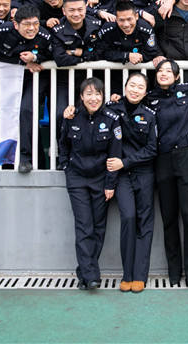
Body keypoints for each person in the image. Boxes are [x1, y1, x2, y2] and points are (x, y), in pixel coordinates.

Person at [58, 77, 122, 290]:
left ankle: (85, 274)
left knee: (98, 227)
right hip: (77, 179)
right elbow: (63, 145)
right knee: (84, 226)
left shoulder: (112, 119)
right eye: (89, 94)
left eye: (97, 94)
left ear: (103, 96)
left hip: (101, 179)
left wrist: (110, 184)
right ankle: (92, 276)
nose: (93, 98)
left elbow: (114, 155)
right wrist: (66, 167)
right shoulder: (71, 117)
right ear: (81, 97)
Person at [146, 59, 188, 287]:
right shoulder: (150, 97)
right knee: (169, 218)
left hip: (187, 156)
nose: (164, 74)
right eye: (160, 70)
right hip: (163, 159)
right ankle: (174, 271)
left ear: (177, 76)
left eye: (169, 71)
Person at [105, 73, 158, 293]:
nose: (135, 90)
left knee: (144, 223)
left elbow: (152, 149)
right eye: (132, 85)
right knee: (128, 217)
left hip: (143, 173)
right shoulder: (111, 109)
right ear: (125, 87)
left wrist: (125, 162)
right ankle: (127, 274)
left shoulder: (150, 115)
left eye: (140, 87)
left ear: (145, 93)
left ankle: (140, 276)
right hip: (122, 176)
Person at [0, 4, 53, 173]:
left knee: (26, 110)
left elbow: (54, 54)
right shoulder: (3, 32)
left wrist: (36, 57)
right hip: (11, 78)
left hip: (37, 78)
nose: (32, 28)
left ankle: (27, 158)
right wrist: (23, 62)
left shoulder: (45, 36)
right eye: (27, 24)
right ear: (16, 24)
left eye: (35, 24)